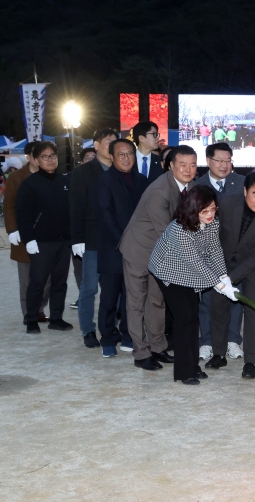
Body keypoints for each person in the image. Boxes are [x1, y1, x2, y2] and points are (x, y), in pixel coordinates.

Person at [119, 145, 198, 371]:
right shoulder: (159, 190)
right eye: (182, 164)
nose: (188, 169)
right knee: (137, 302)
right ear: (171, 165)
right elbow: (168, 232)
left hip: (161, 253)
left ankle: (157, 347)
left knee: (157, 300)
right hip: (139, 249)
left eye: (193, 165)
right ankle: (141, 353)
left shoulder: (192, 187)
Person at [149, 185, 234, 385]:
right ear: (193, 209)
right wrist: (221, 286)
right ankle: (183, 372)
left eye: (213, 209)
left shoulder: (212, 222)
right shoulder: (179, 229)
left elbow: (214, 250)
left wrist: (224, 276)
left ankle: (193, 366)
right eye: (204, 211)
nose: (210, 214)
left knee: (193, 318)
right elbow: (195, 262)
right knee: (184, 318)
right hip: (168, 271)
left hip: (188, 272)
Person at [206, 172, 255, 379]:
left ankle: (251, 361)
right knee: (218, 305)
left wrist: (230, 280)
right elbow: (213, 236)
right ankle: (219, 353)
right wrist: (220, 272)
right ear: (245, 191)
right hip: (223, 261)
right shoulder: (226, 204)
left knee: (253, 307)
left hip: (253, 266)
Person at [93, 139, 149, 357]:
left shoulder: (142, 180)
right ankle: (107, 338)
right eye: (121, 154)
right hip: (113, 249)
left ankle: (128, 335)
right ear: (112, 157)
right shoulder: (103, 181)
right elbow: (105, 216)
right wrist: (125, 242)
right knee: (109, 297)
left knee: (132, 297)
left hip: (138, 250)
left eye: (130, 154)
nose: (126, 158)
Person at [194, 142, 246, 361]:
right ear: (208, 161)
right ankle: (206, 341)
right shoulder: (197, 185)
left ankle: (233, 340)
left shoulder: (242, 183)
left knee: (235, 295)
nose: (224, 165)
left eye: (228, 160)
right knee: (207, 299)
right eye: (219, 160)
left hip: (236, 251)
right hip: (206, 251)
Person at [16, 141, 74, 334]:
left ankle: (56, 318)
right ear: (36, 160)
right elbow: (22, 215)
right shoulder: (29, 184)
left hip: (64, 241)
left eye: (53, 156)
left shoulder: (65, 181)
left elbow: (72, 211)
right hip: (41, 242)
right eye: (45, 157)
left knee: (60, 282)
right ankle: (31, 318)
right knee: (37, 282)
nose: (50, 160)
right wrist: (29, 239)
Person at [69, 127, 119, 348]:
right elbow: (76, 208)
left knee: (113, 288)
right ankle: (87, 329)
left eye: (115, 142)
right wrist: (77, 238)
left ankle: (110, 327)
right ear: (96, 145)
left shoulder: (121, 169)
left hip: (116, 239)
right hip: (92, 239)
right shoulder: (83, 172)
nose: (112, 146)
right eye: (108, 141)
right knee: (89, 288)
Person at [4, 142, 50, 325]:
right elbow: (8, 205)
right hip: (24, 234)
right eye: (37, 155)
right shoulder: (16, 177)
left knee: (47, 279)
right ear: (28, 157)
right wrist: (12, 229)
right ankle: (28, 312)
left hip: (47, 235)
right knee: (27, 279)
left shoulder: (51, 175)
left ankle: (40, 308)